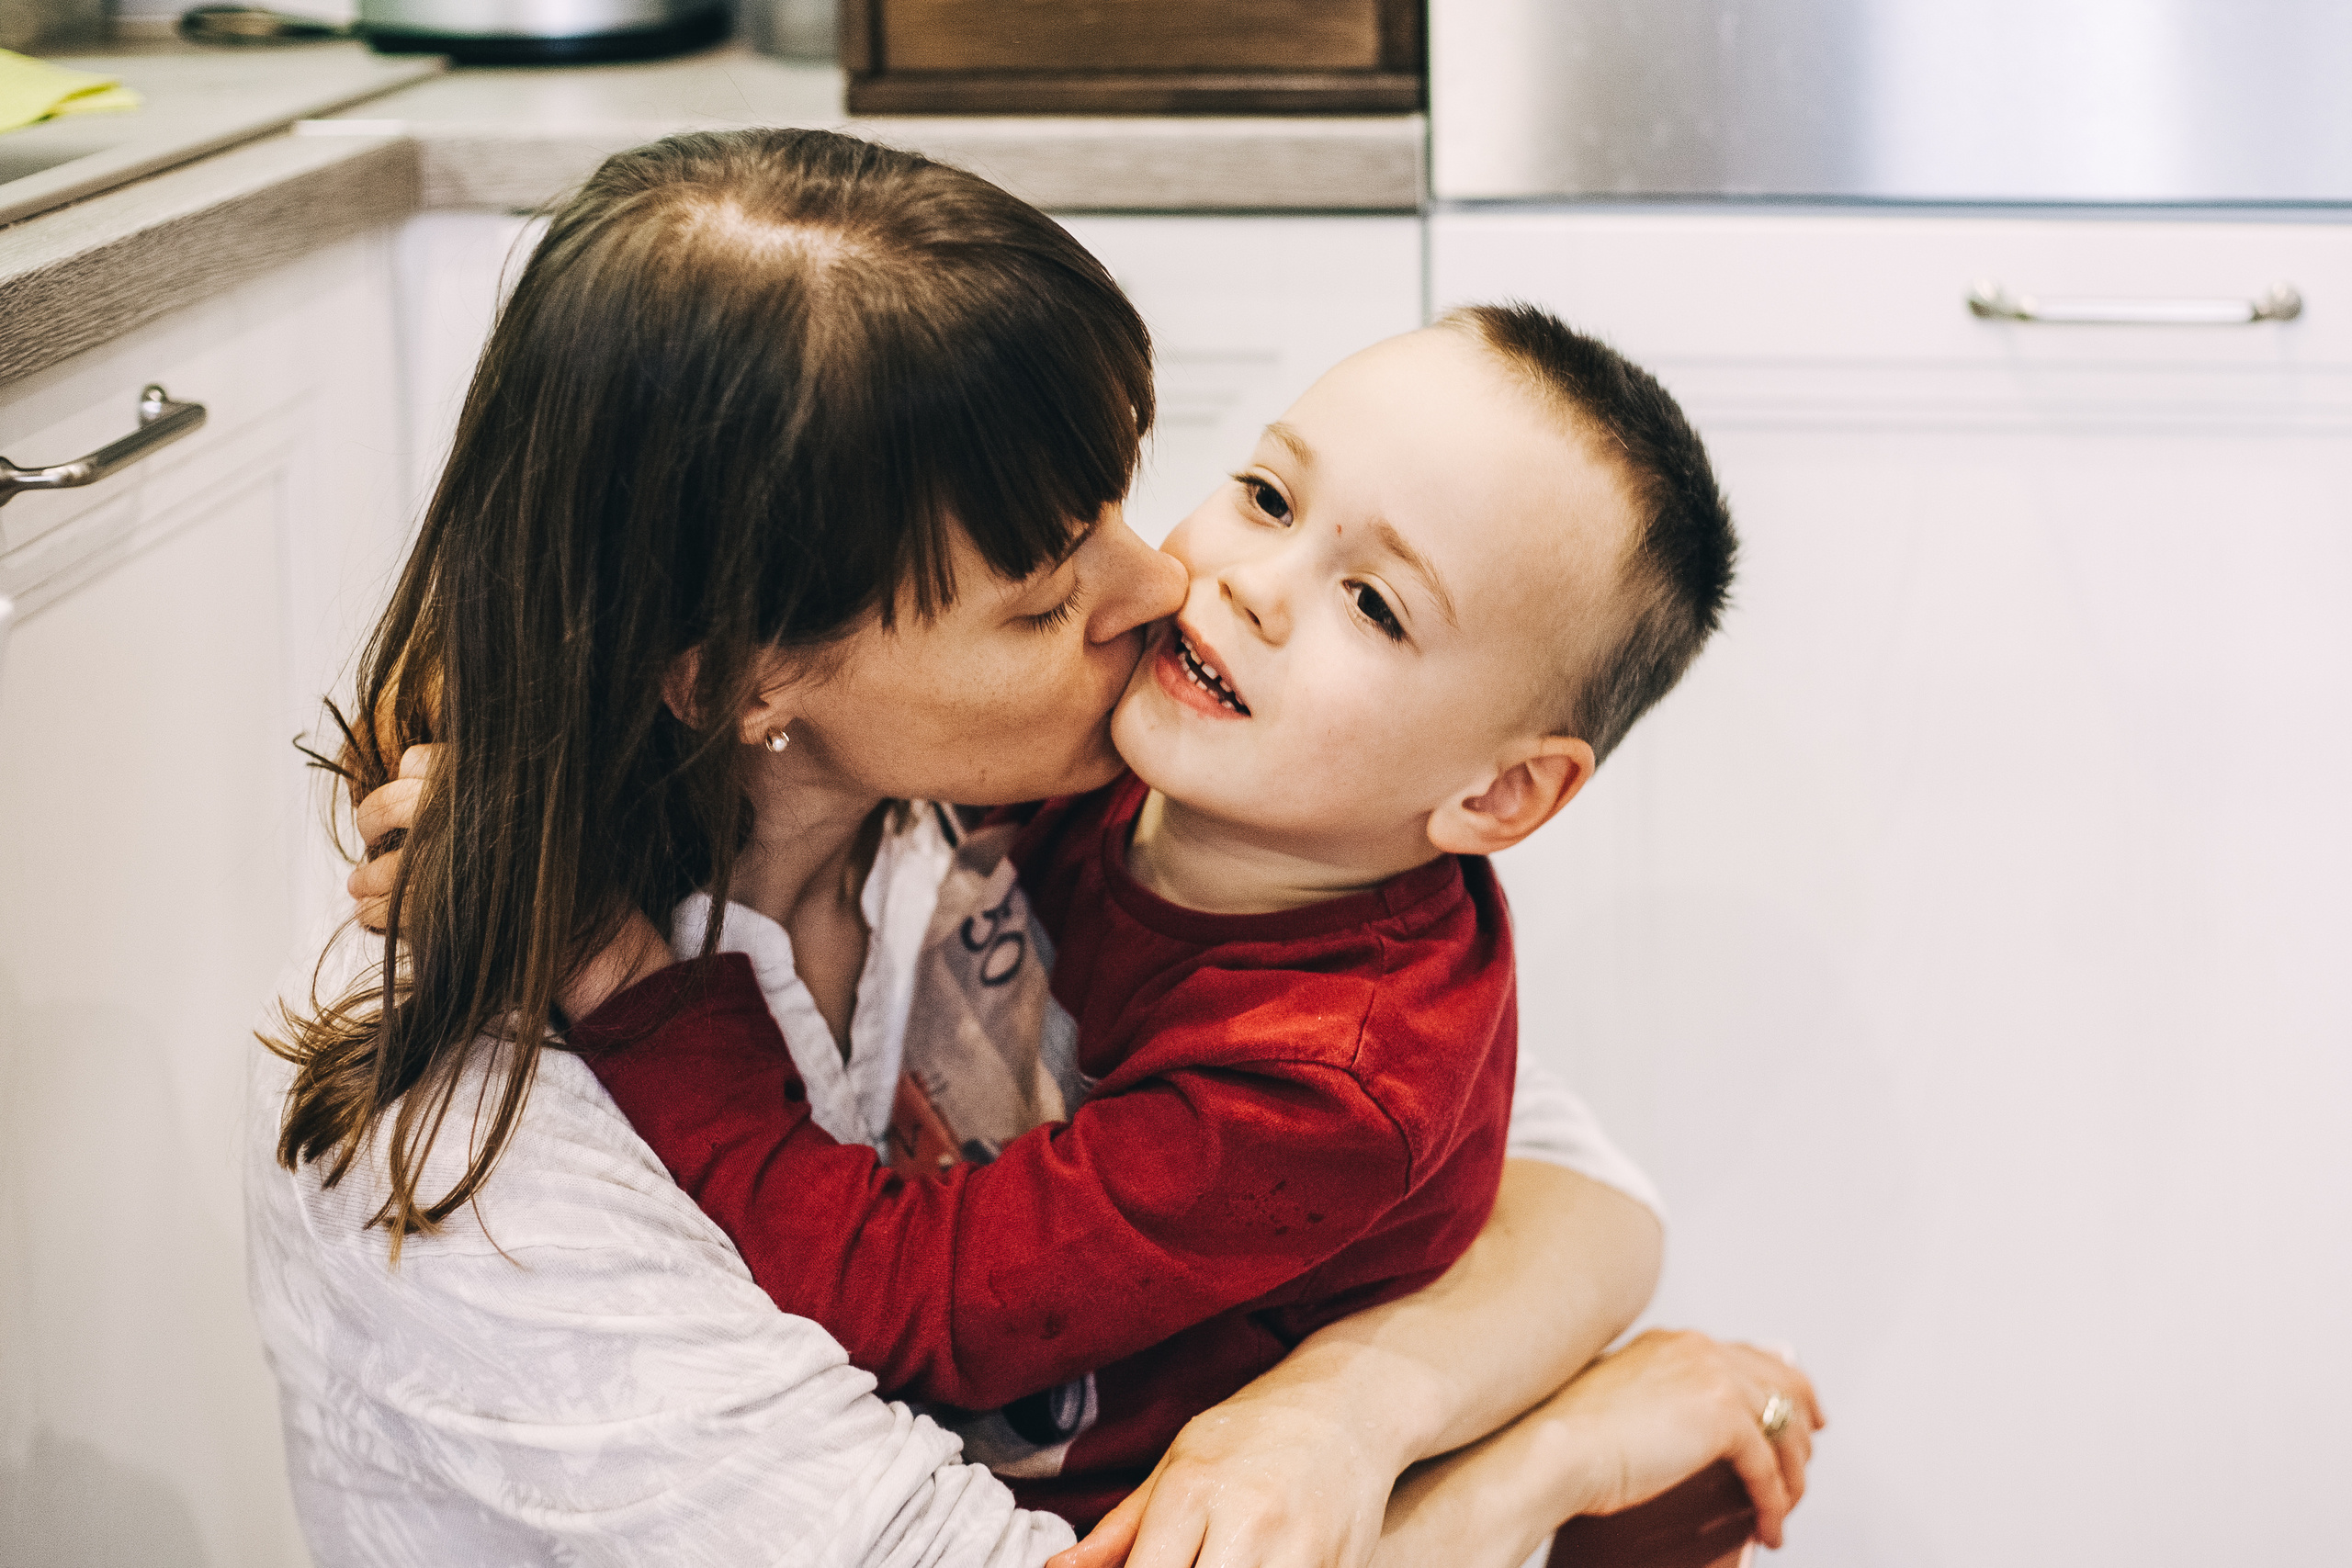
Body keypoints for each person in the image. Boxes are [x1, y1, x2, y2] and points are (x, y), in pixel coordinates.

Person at [257, 125, 1816, 1568]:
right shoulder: (472, 1143)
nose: (1172, 589)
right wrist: (1547, 1462)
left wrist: (1347, 1409)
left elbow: (1568, 1181)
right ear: (748, 678)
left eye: (1118, 505)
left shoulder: (1044, 813)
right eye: (1047, 590)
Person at [558, 302, 1752, 1535]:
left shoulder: (1330, 1072)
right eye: (1271, 498)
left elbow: (914, 1296)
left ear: (1497, 792)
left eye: (1378, 608)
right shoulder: (1180, 753)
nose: (1251, 586)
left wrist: (643, 999)